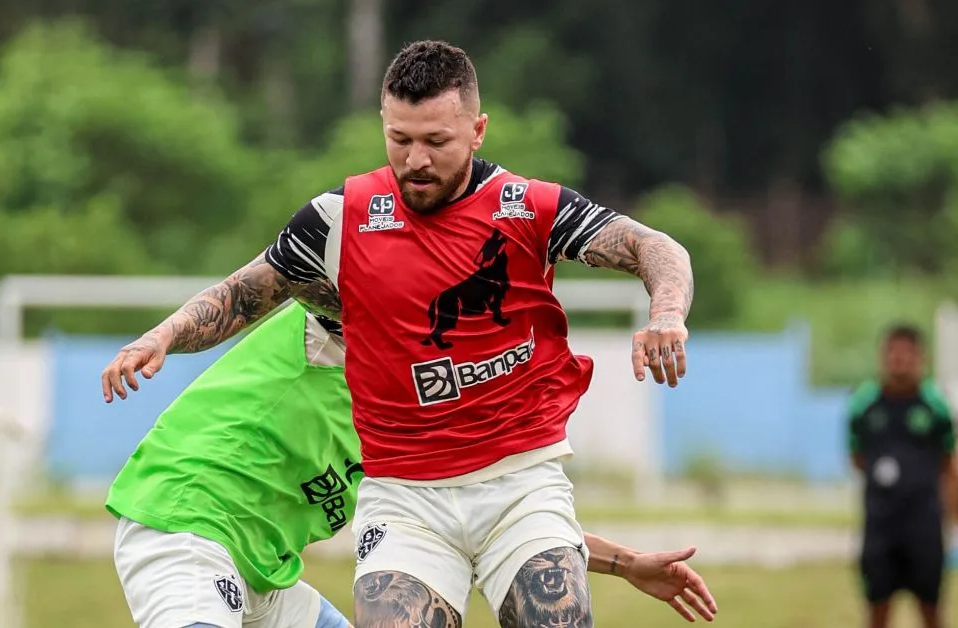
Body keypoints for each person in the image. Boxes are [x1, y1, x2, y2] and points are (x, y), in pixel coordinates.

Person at [102, 40, 695, 628]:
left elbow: (653, 246)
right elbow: (243, 292)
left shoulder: (523, 214)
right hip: (253, 518)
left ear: (477, 130)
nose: (416, 160)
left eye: (436, 141)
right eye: (399, 140)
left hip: (304, 555)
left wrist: (667, 315)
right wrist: (166, 334)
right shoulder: (338, 239)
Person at [105, 302, 716, 628]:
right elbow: (274, 276)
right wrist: (172, 331)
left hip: (264, 576)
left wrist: (627, 562)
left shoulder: (410, 409)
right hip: (185, 530)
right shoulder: (334, 331)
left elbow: (491, 510)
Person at [848, 324, 956, 628]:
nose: (900, 360)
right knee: (877, 609)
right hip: (880, 527)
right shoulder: (864, 406)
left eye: (907, 354)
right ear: (883, 356)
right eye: (893, 353)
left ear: (920, 357)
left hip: (924, 526)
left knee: (931, 609)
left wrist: (951, 519)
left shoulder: (936, 407)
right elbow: (857, 458)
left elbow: (947, 465)